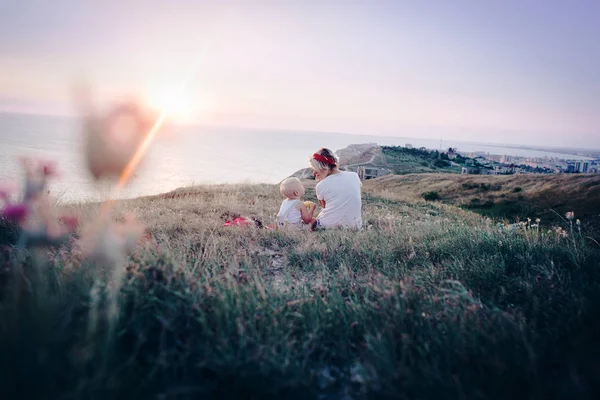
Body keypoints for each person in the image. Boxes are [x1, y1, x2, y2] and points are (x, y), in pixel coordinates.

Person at [309, 148, 362, 230]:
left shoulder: (321, 185)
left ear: (324, 167)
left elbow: (324, 207)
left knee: (307, 221)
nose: (314, 173)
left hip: (328, 226)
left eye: (316, 169)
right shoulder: (354, 176)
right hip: (355, 226)